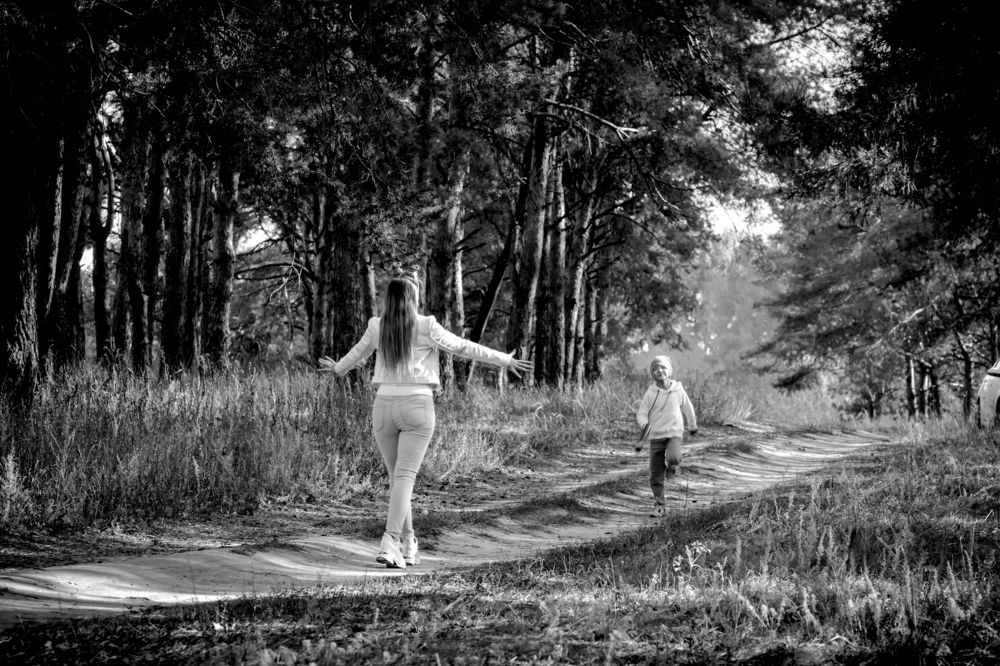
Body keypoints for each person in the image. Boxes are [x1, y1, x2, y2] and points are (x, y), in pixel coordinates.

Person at [321, 276, 532, 569]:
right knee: (404, 478)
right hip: (417, 406)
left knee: (398, 478)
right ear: (413, 298)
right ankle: (390, 540)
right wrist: (504, 360)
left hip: (383, 406)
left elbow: (357, 354)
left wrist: (338, 368)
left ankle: (409, 543)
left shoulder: (377, 326)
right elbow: (463, 347)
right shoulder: (426, 325)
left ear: (389, 299)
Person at [635, 355, 698, 517]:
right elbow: (641, 413)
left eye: (662, 367)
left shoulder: (678, 390)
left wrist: (692, 425)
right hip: (655, 437)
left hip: (674, 434)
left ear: (669, 371)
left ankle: (672, 467)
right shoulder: (650, 393)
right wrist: (645, 425)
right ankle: (659, 505)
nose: (659, 371)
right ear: (652, 374)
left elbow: (688, 407)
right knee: (655, 473)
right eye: (655, 369)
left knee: (674, 457)